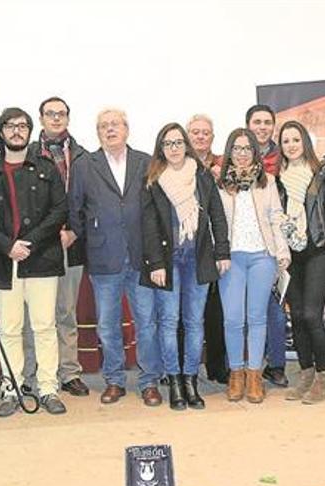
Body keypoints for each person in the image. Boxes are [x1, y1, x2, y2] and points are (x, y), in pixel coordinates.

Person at [0, 107, 69, 417]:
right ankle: (11, 389)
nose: (17, 131)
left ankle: (48, 389)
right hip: (3, 262)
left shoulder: (46, 167)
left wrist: (30, 243)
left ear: (30, 131)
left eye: (22, 126)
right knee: (10, 329)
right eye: (11, 126)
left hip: (41, 258)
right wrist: (7, 246)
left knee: (44, 326)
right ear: (1, 132)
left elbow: (59, 211)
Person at [69, 109, 163, 406]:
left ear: (127, 129)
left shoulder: (145, 162)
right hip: (103, 258)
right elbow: (76, 209)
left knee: (146, 323)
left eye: (115, 125)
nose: (110, 130)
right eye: (104, 126)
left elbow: (156, 209)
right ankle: (114, 380)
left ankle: (149, 382)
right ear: (98, 132)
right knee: (108, 325)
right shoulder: (85, 164)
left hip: (140, 257)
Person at [141, 123, 230, 410]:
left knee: (194, 322)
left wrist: (222, 252)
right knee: (168, 322)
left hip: (198, 258)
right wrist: (155, 262)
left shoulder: (202, 176)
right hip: (167, 262)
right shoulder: (154, 179)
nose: (174, 148)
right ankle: (175, 382)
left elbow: (217, 215)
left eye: (179, 142)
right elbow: (150, 225)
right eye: (168, 144)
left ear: (186, 145)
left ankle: (191, 380)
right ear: (161, 148)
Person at [276, 121, 325, 404]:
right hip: (290, 253)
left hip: (317, 249)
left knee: (311, 315)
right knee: (295, 317)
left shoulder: (322, 171)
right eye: (286, 141)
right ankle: (305, 373)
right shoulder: (275, 177)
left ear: (305, 142)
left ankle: (322, 375)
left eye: (296, 140)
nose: (291, 145)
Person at [21, 97, 90, 398]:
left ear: (68, 119)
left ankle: (69, 372)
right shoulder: (25, 154)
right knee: (32, 314)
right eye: (51, 114)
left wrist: (75, 231)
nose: (56, 119)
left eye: (61, 114)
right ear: (41, 118)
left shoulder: (83, 156)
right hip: (37, 247)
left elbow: (91, 200)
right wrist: (42, 236)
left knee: (65, 310)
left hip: (71, 244)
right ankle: (29, 373)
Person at [217, 128, 290, 404]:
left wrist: (281, 252)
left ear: (255, 152)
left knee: (257, 318)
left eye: (247, 149)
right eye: (237, 148)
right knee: (233, 319)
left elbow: (275, 217)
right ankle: (236, 373)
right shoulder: (219, 183)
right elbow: (215, 223)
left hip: (262, 256)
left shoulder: (267, 181)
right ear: (229, 152)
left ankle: (254, 375)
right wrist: (218, 253)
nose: (243, 154)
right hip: (231, 258)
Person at [245, 104, 288, 388]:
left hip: (280, 242)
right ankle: (248, 366)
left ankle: (277, 365)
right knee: (246, 310)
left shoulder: (285, 156)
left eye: (267, 122)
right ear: (248, 125)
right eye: (256, 122)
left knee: (275, 307)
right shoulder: (235, 158)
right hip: (246, 247)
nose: (262, 127)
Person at [186, 114, 228, 384]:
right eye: (195, 132)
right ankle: (182, 368)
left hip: (219, 248)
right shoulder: (178, 166)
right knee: (184, 313)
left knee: (217, 310)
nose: (201, 137)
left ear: (212, 137)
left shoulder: (224, 165)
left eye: (206, 133)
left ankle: (217, 367)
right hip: (188, 250)